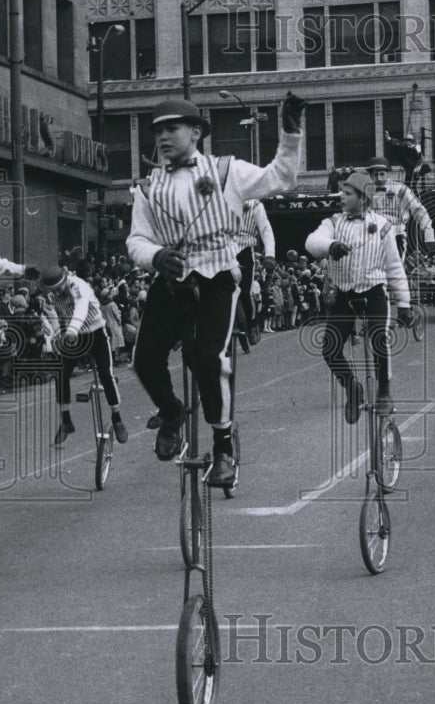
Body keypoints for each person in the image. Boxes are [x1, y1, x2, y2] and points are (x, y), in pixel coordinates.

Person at [126, 93, 305, 481]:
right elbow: (136, 240)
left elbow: (282, 178)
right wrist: (156, 257)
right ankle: (172, 411)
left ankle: (222, 445)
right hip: (173, 278)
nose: (163, 137)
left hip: (217, 276)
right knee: (144, 357)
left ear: (195, 132)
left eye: (172, 128)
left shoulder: (227, 171)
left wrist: (290, 133)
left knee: (207, 358)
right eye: (157, 131)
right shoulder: (147, 186)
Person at [305, 171, 413, 422]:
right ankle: (353, 389)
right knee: (330, 349)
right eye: (342, 192)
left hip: (374, 291)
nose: (342, 196)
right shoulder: (332, 222)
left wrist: (404, 304)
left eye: (348, 193)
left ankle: (385, 393)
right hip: (344, 293)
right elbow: (312, 241)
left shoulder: (384, 226)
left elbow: (395, 267)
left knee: (379, 340)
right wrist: (330, 246)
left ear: (364, 198)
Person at [38, 265, 128, 447]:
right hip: (75, 338)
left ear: (65, 281)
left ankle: (117, 416)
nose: (58, 292)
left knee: (106, 374)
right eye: (54, 290)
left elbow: (81, 308)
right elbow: (54, 314)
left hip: (95, 332)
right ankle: (66, 420)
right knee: (61, 373)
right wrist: (58, 335)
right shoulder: (51, 294)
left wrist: (71, 329)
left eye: (60, 288)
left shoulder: (78, 285)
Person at [364, 155, 435, 263]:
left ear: (387, 173)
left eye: (382, 174)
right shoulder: (366, 191)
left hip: (395, 236)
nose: (379, 178)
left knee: (395, 271)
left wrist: (429, 236)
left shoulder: (401, 189)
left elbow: (419, 211)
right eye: (375, 175)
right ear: (370, 175)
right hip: (372, 239)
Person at [234, 199, 277, 345]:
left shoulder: (255, 204)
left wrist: (270, 254)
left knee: (245, 292)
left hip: (244, 251)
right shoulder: (219, 197)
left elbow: (266, 230)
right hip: (223, 250)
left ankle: (252, 324)